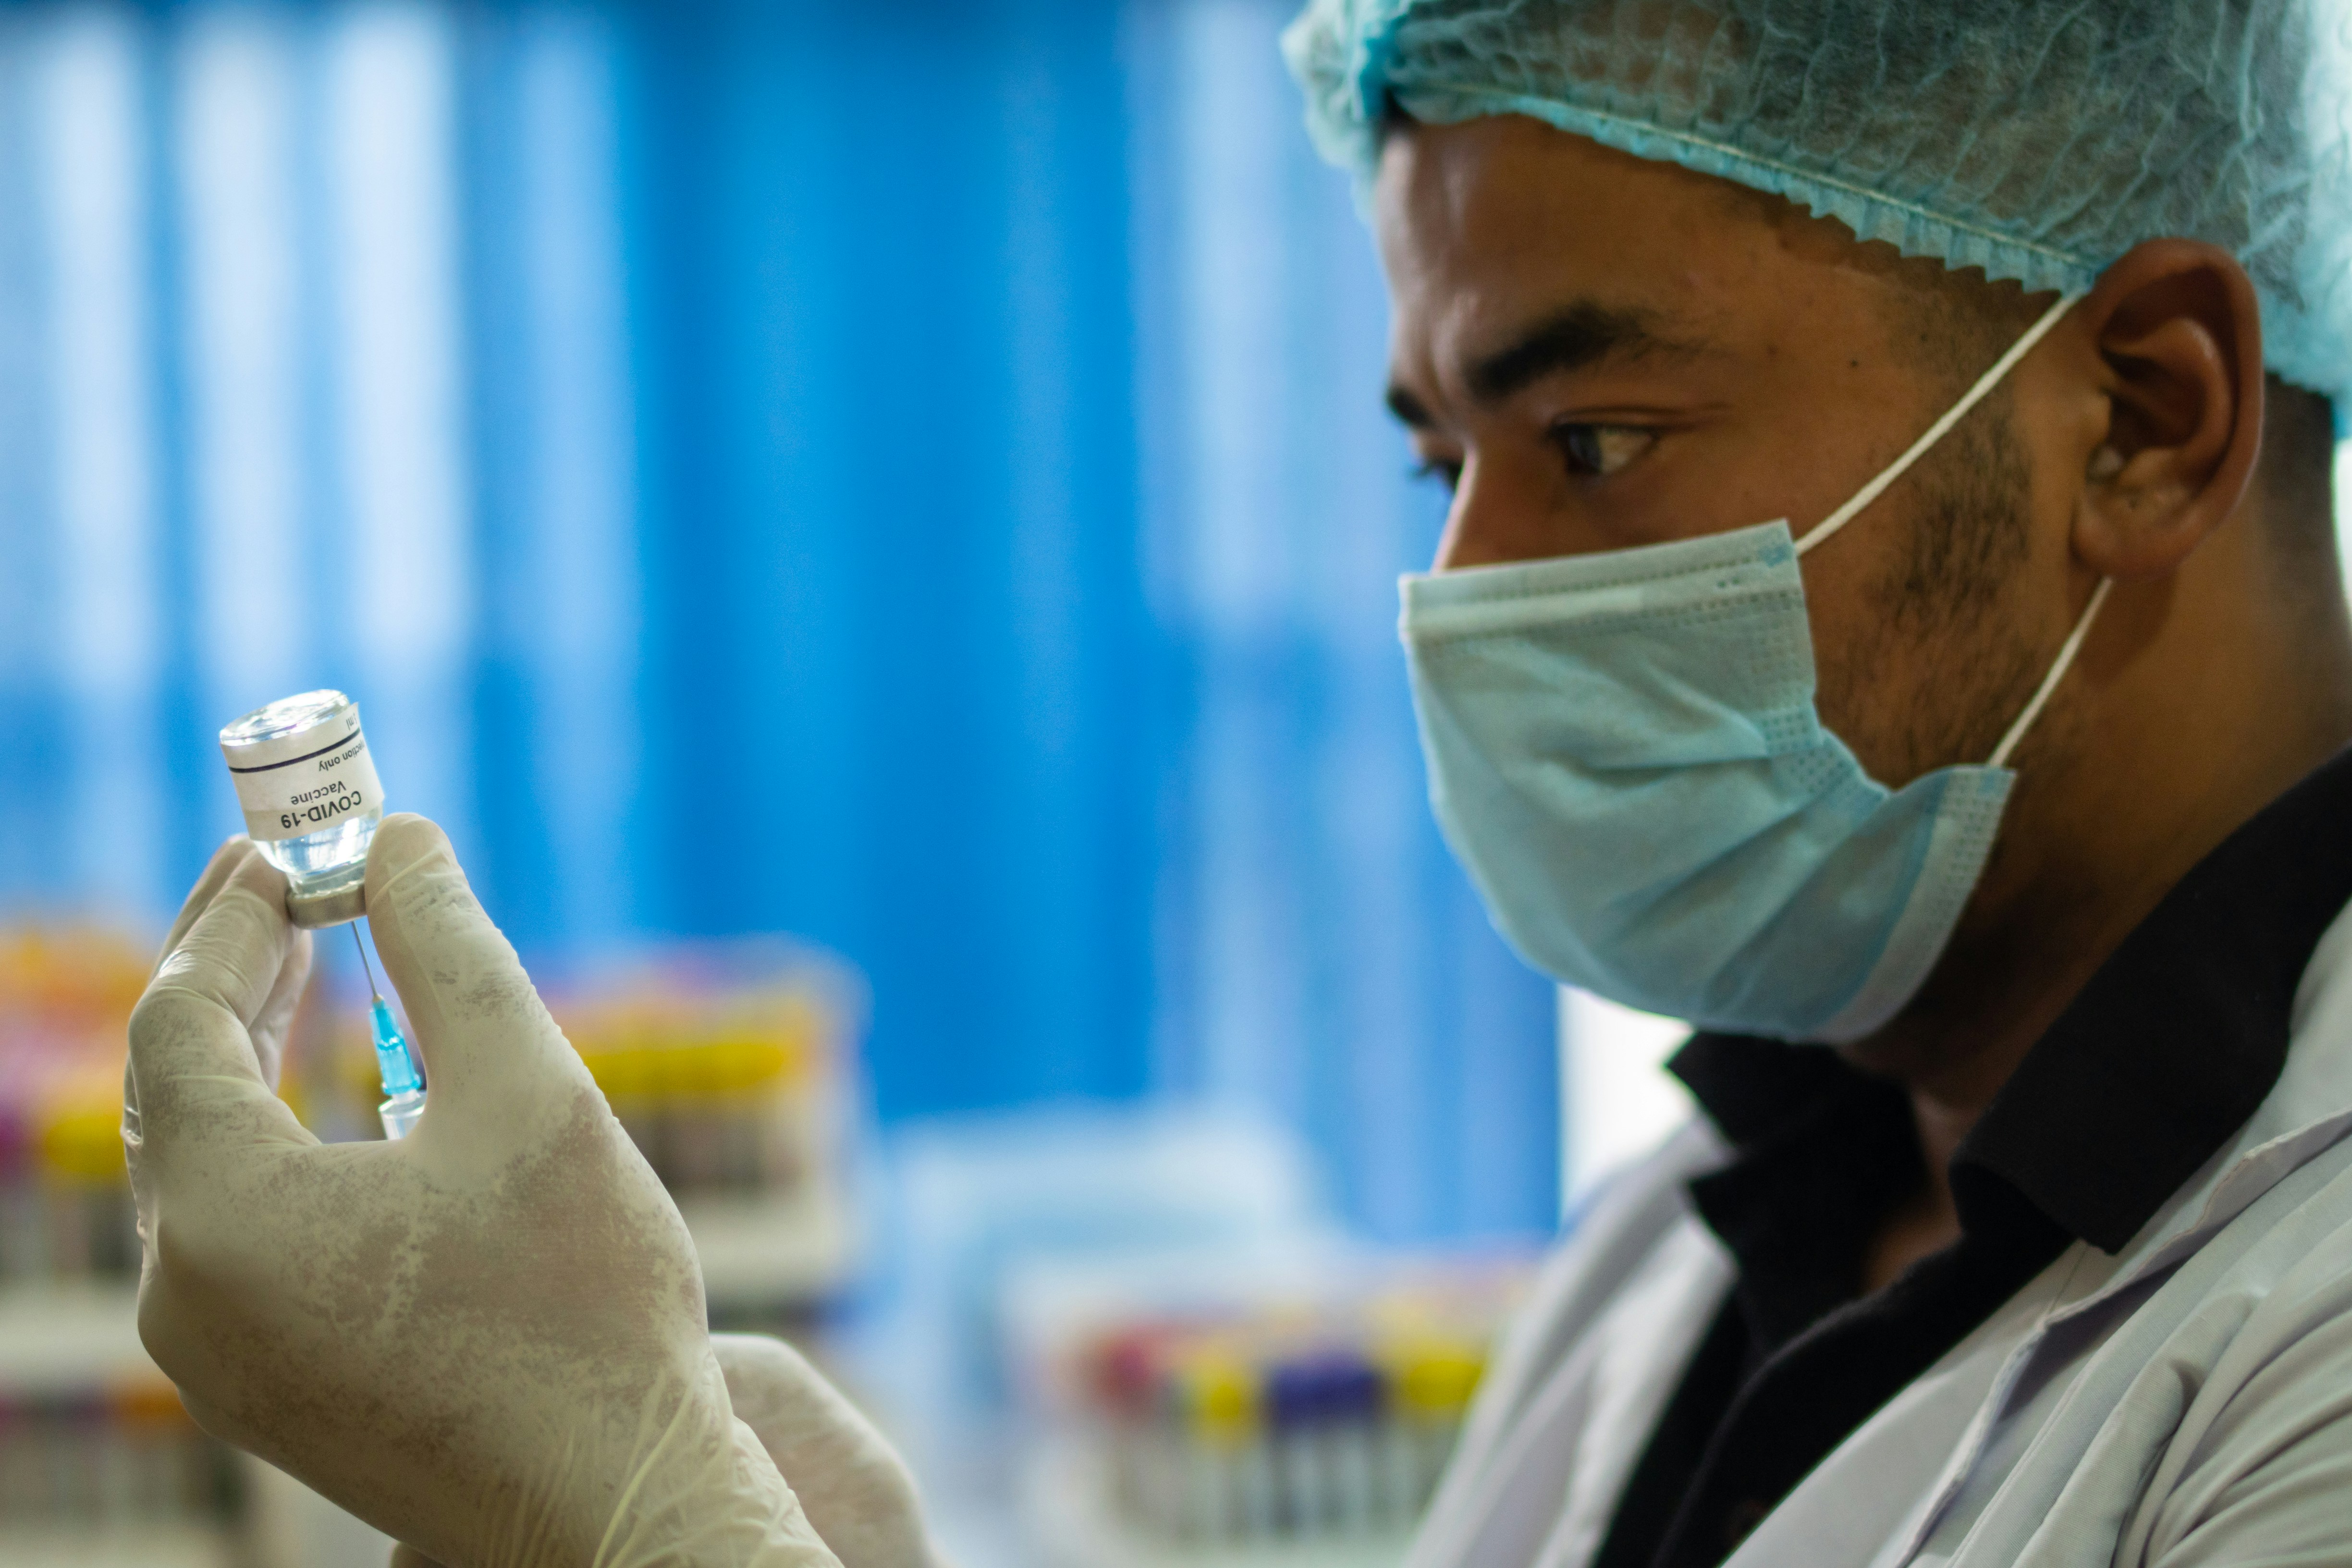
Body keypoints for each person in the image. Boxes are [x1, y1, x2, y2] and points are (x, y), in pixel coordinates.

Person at [121, 3, 2352, 1568]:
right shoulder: (1718, 1224)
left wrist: (651, 1536)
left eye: (1593, 441)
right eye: (1435, 457)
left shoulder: (2304, 1348)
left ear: (2147, 415)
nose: (1461, 588)